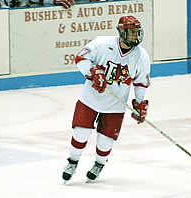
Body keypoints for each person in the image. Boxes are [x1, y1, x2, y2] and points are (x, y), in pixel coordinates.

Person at [62, 15, 151, 182]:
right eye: (131, 33)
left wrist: (140, 103)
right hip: (90, 99)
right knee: (81, 133)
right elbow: (80, 59)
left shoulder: (142, 56)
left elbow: (140, 82)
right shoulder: (102, 44)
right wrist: (93, 73)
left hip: (115, 105)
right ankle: (72, 162)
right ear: (122, 32)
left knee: (105, 142)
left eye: (137, 32)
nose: (135, 36)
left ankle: (99, 164)